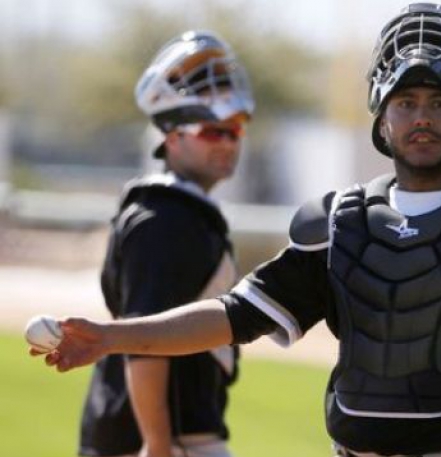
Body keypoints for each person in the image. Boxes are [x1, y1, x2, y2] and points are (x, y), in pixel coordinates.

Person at [36, 5, 441, 456]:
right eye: (406, 102)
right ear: (382, 115)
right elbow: (233, 316)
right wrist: (112, 337)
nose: (422, 117)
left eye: (440, 102)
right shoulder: (336, 224)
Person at [76, 30, 255, 457]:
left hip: (173, 436)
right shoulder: (166, 219)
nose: (229, 142)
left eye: (235, 129)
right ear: (172, 137)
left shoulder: (183, 212)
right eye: (213, 131)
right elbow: (143, 340)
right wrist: (156, 443)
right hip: (164, 441)